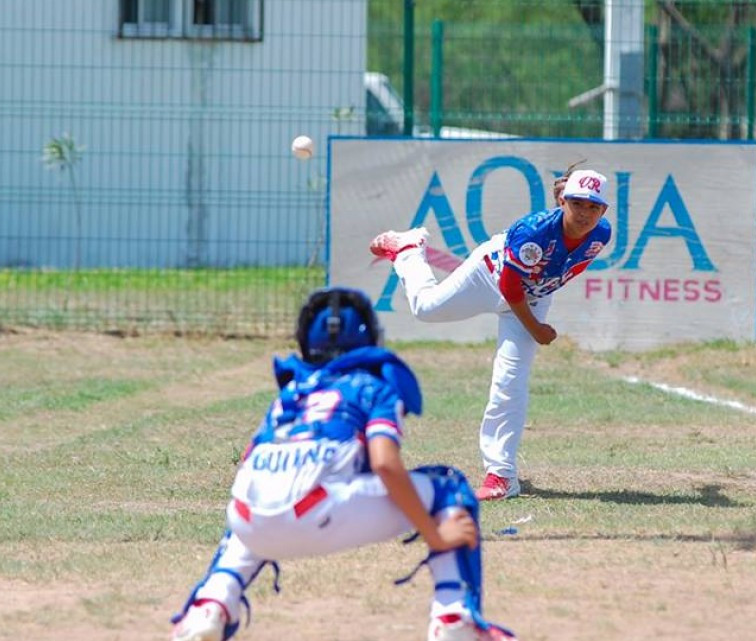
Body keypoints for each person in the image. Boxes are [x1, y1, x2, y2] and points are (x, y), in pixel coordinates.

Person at [169, 287, 517, 641]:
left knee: (259, 504)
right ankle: (454, 617)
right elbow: (384, 463)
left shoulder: (291, 393)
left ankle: (210, 604)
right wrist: (433, 533)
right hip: (318, 510)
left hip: (247, 518)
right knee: (449, 487)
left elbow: (249, 460)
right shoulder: (370, 386)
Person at [368, 164, 611, 501]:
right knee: (426, 308)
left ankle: (502, 476)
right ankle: (409, 249)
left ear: (604, 210)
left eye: (593, 206)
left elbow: (560, 271)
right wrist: (537, 328)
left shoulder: (600, 235)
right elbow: (511, 290)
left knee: (510, 380)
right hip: (489, 276)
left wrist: (541, 301)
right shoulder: (535, 232)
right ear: (562, 201)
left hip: (534, 297)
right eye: (577, 203)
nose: (585, 213)